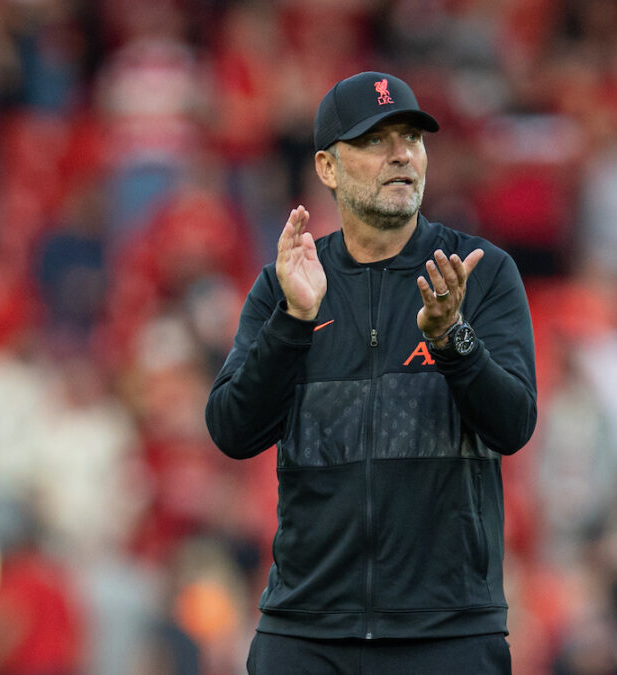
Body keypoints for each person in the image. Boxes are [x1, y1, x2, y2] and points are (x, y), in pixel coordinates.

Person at [205, 71, 537, 674]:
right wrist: (294, 320)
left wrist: (451, 339)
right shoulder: (288, 283)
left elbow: (513, 424)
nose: (402, 154)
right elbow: (232, 431)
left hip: (449, 633)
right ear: (328, 168)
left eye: (411, 137)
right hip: (306, 633)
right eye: (376, 140)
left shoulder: (481, 273)